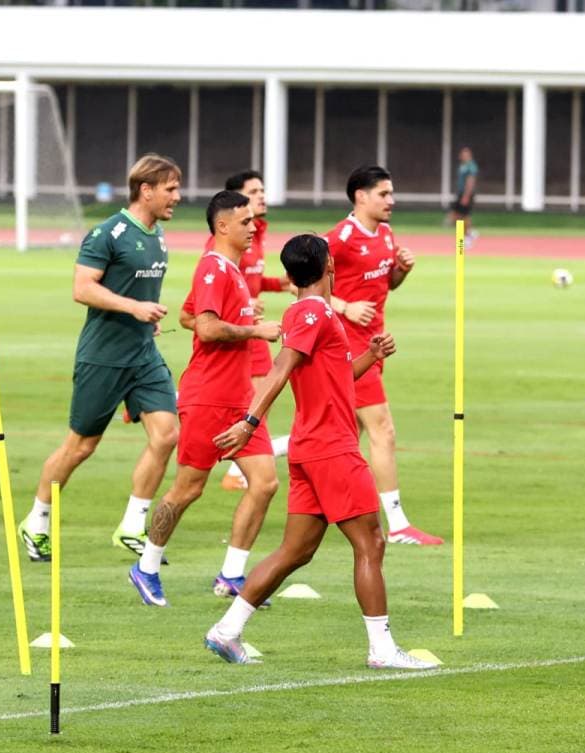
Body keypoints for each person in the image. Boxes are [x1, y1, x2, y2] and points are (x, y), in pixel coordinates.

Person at [204, 234, 435, 671]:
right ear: (331, 264)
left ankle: (227, 630)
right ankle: (383, 651)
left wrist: (369, 354)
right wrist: (249, 422)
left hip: (310, 449)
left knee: (296, 552)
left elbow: (336, 377)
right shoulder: (312, 312)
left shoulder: (311, 312)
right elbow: (281, 368)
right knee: (370, 542)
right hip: (331, 449)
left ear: (289, 275)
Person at [18, 153, 181, 563]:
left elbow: (138, 293)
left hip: (143, 354)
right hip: (103, 357)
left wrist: (148, 317)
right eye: (170, 188)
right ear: (146, 190)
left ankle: (132, 525)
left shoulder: (157, 235)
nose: (177, 196)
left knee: (167, 435)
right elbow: (82, 288)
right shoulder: (108, 233)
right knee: (80, 446)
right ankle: (36, 521)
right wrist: (134, 308)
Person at [127, 191, 280, 608]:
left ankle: (232, 574)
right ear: (223, 226)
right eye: (246, 221)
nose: (254, 227)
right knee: (187, 490)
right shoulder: (213, 268)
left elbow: (189, 316)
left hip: (240, 400)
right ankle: (147, 565)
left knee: (265, 483)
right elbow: (208, 330)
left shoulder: (231, 270)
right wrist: (255, 330)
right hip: (208, 398)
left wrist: (242, 319)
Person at [327, 166, 442, 545]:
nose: (391, 201)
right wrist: (344, 307)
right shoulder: (340, 238)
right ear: (361, 196)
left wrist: (401, 271)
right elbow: (301, 281)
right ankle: (398, 525)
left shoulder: (387, 234)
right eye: (384, 194)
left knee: (343, 433)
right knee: (383, 431)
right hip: (348, 345)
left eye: (392, 194)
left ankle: (254, 456)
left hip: (374, 344)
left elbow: (386, 283)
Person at [213, 171, 292, 495]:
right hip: (243, 331)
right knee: (256, 398)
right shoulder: (227, 240)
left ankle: (239, 466)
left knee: (258, 399)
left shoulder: (255, 232)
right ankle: (237, 467)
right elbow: (221, 282)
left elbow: (252, 279)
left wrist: (279, 284)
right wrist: (245, 305)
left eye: (263, 189)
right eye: (254, 191)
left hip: (252, 330)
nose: (262, 196)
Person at [449, 147, 479, 247]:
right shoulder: (463, 165)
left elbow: (470, 181)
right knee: (456, 215)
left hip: (466, 194)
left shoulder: (471, 166)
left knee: (463, 216)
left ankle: (467, 237)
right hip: (461, 193)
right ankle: (469, 233)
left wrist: (466, 195)